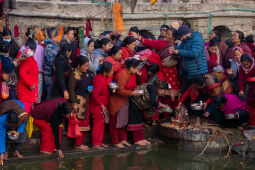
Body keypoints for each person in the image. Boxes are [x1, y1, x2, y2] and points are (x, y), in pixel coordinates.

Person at [109, 58, 140, 148]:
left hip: (125, 101)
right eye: (136, 68)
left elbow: (133, 86)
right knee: (114, 122)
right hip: (117, 101)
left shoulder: (132, 74)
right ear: (131, 67)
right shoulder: (123, 74)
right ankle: (115, 141)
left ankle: (123, 139)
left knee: (122, 121)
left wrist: (135, 90)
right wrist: (132, 93)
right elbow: (119, 90)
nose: (137, 70)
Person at [130, 80, 169, 145]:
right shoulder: (153, 89)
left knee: (139, 121)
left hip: (139, 105)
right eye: (164, 91)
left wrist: (157, 110)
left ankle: (141, 138)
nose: (163, 93)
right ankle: (137, 140)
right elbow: (152, 102)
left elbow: (150, 105)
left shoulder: (155, 91)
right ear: (160, 88)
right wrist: (161, 105)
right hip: (134, 102)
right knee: (136, 121)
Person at [172, 25, 208, 93]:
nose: (181, 39)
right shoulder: (185, 41)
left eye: (182, 36)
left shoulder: (197, 39)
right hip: (188, 73)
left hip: (197, 72)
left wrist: (179, 52)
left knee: (197, 95)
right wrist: (173, 50)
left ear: (186, 34)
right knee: (185, 94)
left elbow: (194, 53)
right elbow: (179, 48)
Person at [68, 56, 93, 150]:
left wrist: (91, 89)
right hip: (78, 101)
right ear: (79, 65)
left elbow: (90, 82)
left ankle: (80, 143)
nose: (86, 68)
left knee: (85, 122)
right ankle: (78, 144)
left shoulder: (86, 73)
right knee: (79, 123)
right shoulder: (74, 75)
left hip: (86, 99)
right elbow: (71, 90)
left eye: (87, 66)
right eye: (85, 66)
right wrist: (74, 103)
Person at [91, 61, 113, 150]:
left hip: (102, 104)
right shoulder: (99, 79)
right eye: (111, 71)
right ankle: (96, 143)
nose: (112, 73)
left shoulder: (103, 77)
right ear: (105, 72)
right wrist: (101, 105)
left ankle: (99, 142)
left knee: (101, 124)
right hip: (98, 106)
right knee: (97, 125)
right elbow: (95, 95)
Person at [17, 39, 39, 115]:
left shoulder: (27, 59)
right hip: (26, 93)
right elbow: (22, 72)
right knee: (24, 115)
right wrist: (31, 83)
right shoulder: (28, 60)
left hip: (27, 93)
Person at [43, 28, 62, 100]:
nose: (60, 38)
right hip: (50, 75)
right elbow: (51, 61)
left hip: (52, 75)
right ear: (54, 37)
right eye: (58, 36)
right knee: (50, 97)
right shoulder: (50, 47)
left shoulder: (55, 46)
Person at [239, 54, 255, 125]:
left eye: (247, 63)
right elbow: (241, 79)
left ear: (250, 61)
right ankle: (252, 122)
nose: (246, 65)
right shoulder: (241, 68)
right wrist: (241, 89)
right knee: (249, 102)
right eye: (244, 64)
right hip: (250, 86)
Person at [34, 37, 45, 102]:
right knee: (38, 90)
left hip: (30, 72)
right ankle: (37, 105)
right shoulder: (41, 48)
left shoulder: (25, 47)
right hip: (39, 72)